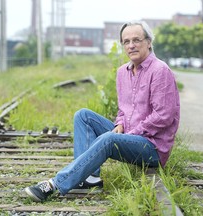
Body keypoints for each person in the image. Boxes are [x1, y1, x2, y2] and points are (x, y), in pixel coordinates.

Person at [25, 20, 180, 202]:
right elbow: (124, 109)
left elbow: (164, 116)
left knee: (109, 139)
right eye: (126, 41)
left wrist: (130, 133)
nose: (131, 46)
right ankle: (90, 179)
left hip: (151, 147)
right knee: (83, 116)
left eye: (136, 40)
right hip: (130, 136)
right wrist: (121, 123)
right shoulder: (123, 72)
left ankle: (55, 184)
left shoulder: (160, 71)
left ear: (148, 42)